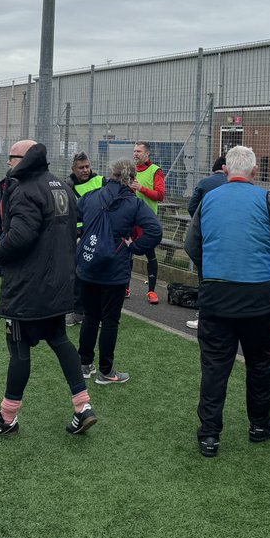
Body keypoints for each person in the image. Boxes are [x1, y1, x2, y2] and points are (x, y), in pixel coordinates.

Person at [0, 140, 96, 437]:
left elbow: (21, 236)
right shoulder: (61, 186)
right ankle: (83, 406)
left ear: (23, 158)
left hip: (29, 285)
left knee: (19, 349)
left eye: (11, 159)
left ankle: (7, 418)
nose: (8, 164)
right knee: (59, 340)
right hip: (58, 282)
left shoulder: (26, 188)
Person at [184, 145, 270, 458]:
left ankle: (209, 435)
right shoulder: (266, 199)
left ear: (225, 171)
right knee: (259, 364)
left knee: (214, 366)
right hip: (257, 298)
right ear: (255, 172)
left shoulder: (209, 200)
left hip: (216, 297)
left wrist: (211, 272)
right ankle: (259, 425)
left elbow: (191, 245)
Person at [76, 158, 162, 383]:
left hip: (88, 264)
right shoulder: (133, 203)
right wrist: (134, 247)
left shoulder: (93, 196)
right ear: (132, 179)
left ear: (110, 175)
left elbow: (75, 216)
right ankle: (106, 371)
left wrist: (83, 235)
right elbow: (155, 231)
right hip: (114, 270)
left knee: (90, 316)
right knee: (110, 320)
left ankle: (84, 364)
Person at [185, 155, 227, 330]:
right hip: (227, 237)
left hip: (206, 237)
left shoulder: (204, 183)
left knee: (204, 277)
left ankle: (203, 316)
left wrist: (202, 222)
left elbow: (191, 207)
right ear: (225, 167)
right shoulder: (233, 184)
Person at [67, 151, 104, 325]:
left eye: (87, 166)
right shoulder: (67, 186)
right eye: (81, 167)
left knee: (97, 275)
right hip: (77, 236)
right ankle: (77, 311)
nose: (85, 170)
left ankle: (97, 312)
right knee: (77, 275)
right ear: (73, 169)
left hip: (99, 234)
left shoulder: (101, 181)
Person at [132, 141, 166, 304]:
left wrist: (141, 188)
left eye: (139, 151)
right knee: (127, 252)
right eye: (134, 151)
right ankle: (125, 287)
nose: (135, 153)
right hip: (130, 219)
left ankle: (151, 291)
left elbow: (160, 195)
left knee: (150, 255)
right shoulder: (130, 170)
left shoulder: (155, 171)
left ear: (147, 154)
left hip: (147, 221)